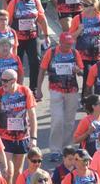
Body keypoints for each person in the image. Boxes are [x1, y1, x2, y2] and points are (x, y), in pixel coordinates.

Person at [37, 32, 84, 162]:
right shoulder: (51, 53)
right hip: (55, 90)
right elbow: (42, 70)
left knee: (69, 121)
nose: (69, 46)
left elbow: (82, 71)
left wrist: (78, 71)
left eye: (71, 44)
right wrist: (38, 89)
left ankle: (67, 148)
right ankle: (55, 150)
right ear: (60, 43)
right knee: (57, 120)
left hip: (72, 91)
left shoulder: (75, 53)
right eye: (67, 44)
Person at [0, 68, 35, 179]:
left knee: (18, 171)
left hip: (22, 136)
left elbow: (32, 116)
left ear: (14, 80)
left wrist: (33, 138)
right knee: (8, 171)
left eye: (6, 81)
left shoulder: (25, 92)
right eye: (2, 80)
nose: (3, 83)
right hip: (4, 136)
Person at [6, 0, 48, 92]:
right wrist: (6, 36)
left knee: (35, 61)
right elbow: (8, 21)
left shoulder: (35, 1)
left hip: (32, 37)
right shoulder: (14, 2)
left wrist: (46, 34)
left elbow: (41, 18)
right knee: (16, 63)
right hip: (17, 39)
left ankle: (33, 88)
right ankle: (16, 87)